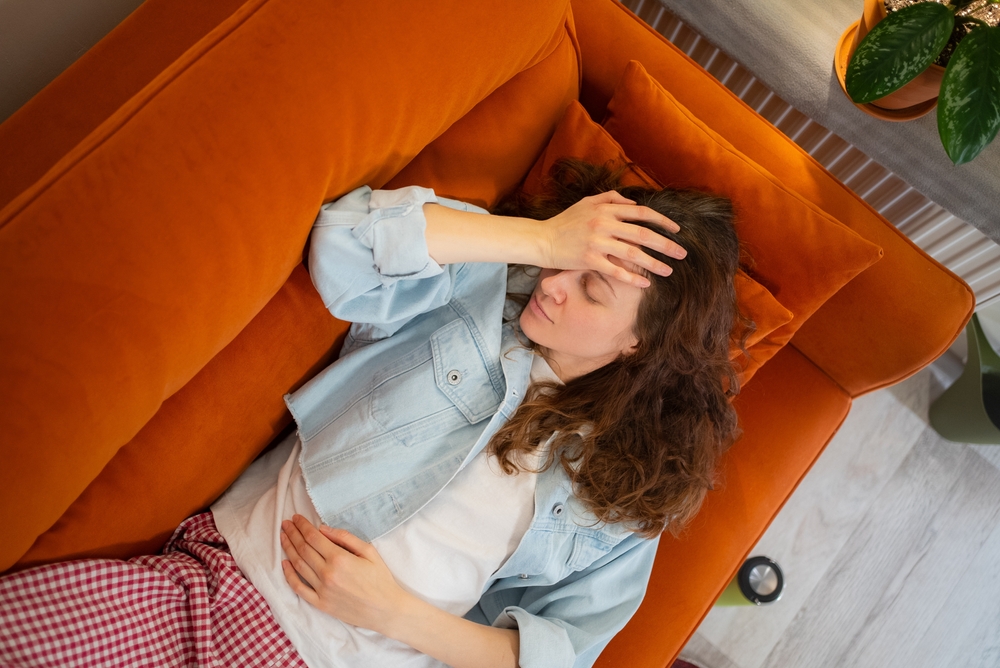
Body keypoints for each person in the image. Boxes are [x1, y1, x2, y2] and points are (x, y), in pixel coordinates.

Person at [0, 160, 747, 668]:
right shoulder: (478, 284)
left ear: (640, 343)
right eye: (570, 260)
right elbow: (343, 242)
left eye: (592, 291)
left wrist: (394, 614)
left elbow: (560, 653)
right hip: (216, 589)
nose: (555, 284)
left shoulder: (630, 489)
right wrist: (541, 238)